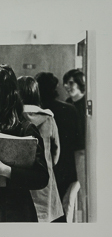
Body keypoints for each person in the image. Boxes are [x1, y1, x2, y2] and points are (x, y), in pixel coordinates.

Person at [0, 64, 49, 222]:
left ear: (8, 93)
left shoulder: (25, 128)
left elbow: (41, 177)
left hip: (16, 212)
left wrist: (5, 170)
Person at [17, 76, 63, 222]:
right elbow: (56, 150)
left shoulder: (14, 118)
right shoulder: (48, 118)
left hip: (19, 178)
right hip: (44, 180)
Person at [35, 72, 79, 207]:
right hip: (66, 171)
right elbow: (77, 145)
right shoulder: (70, 109)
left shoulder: (34, 113)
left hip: (43, 172)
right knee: (65, 211)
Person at [63, 69, 86, 221]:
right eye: (66, 83)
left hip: (83, 154)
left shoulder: (86, 104)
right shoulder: (67, 104)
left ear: (80, 82)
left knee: (82, 194)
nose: (67, 86)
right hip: (68, 155)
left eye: (71, 82)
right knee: (68, 198)